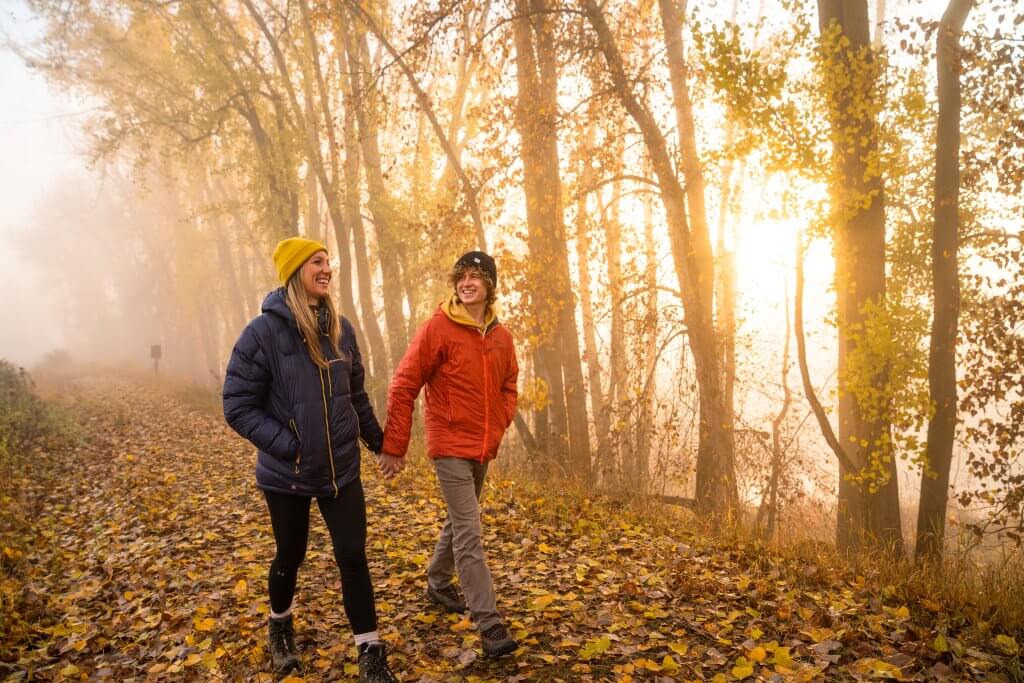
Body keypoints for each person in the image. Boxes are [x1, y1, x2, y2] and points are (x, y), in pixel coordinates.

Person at [223, 237, 397, 682]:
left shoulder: (341, 328)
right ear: (296, 269)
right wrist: (289, 445)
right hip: (288, 475)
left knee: (352, 555)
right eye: (317, 262)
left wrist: (381, 444)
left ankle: (370, 650)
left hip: (342, 470)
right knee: (290, 554)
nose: (327, 269)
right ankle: (280, 625)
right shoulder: (261, 334)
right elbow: (237, 405)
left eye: (329, 262)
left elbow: (354, 396)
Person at [378, 251, 520, 658]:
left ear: (489, 285)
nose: (467, 282)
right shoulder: (438, 328)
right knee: (470, 531)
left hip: (482, 446)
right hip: (450, 446)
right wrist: (394, 446)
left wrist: (499, 422)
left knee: (461, 519)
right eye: (462, 276)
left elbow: (509, 386)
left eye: (476, 276)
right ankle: (489, 624)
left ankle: (438, 582)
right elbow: (404, 384)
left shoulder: (502, 337)